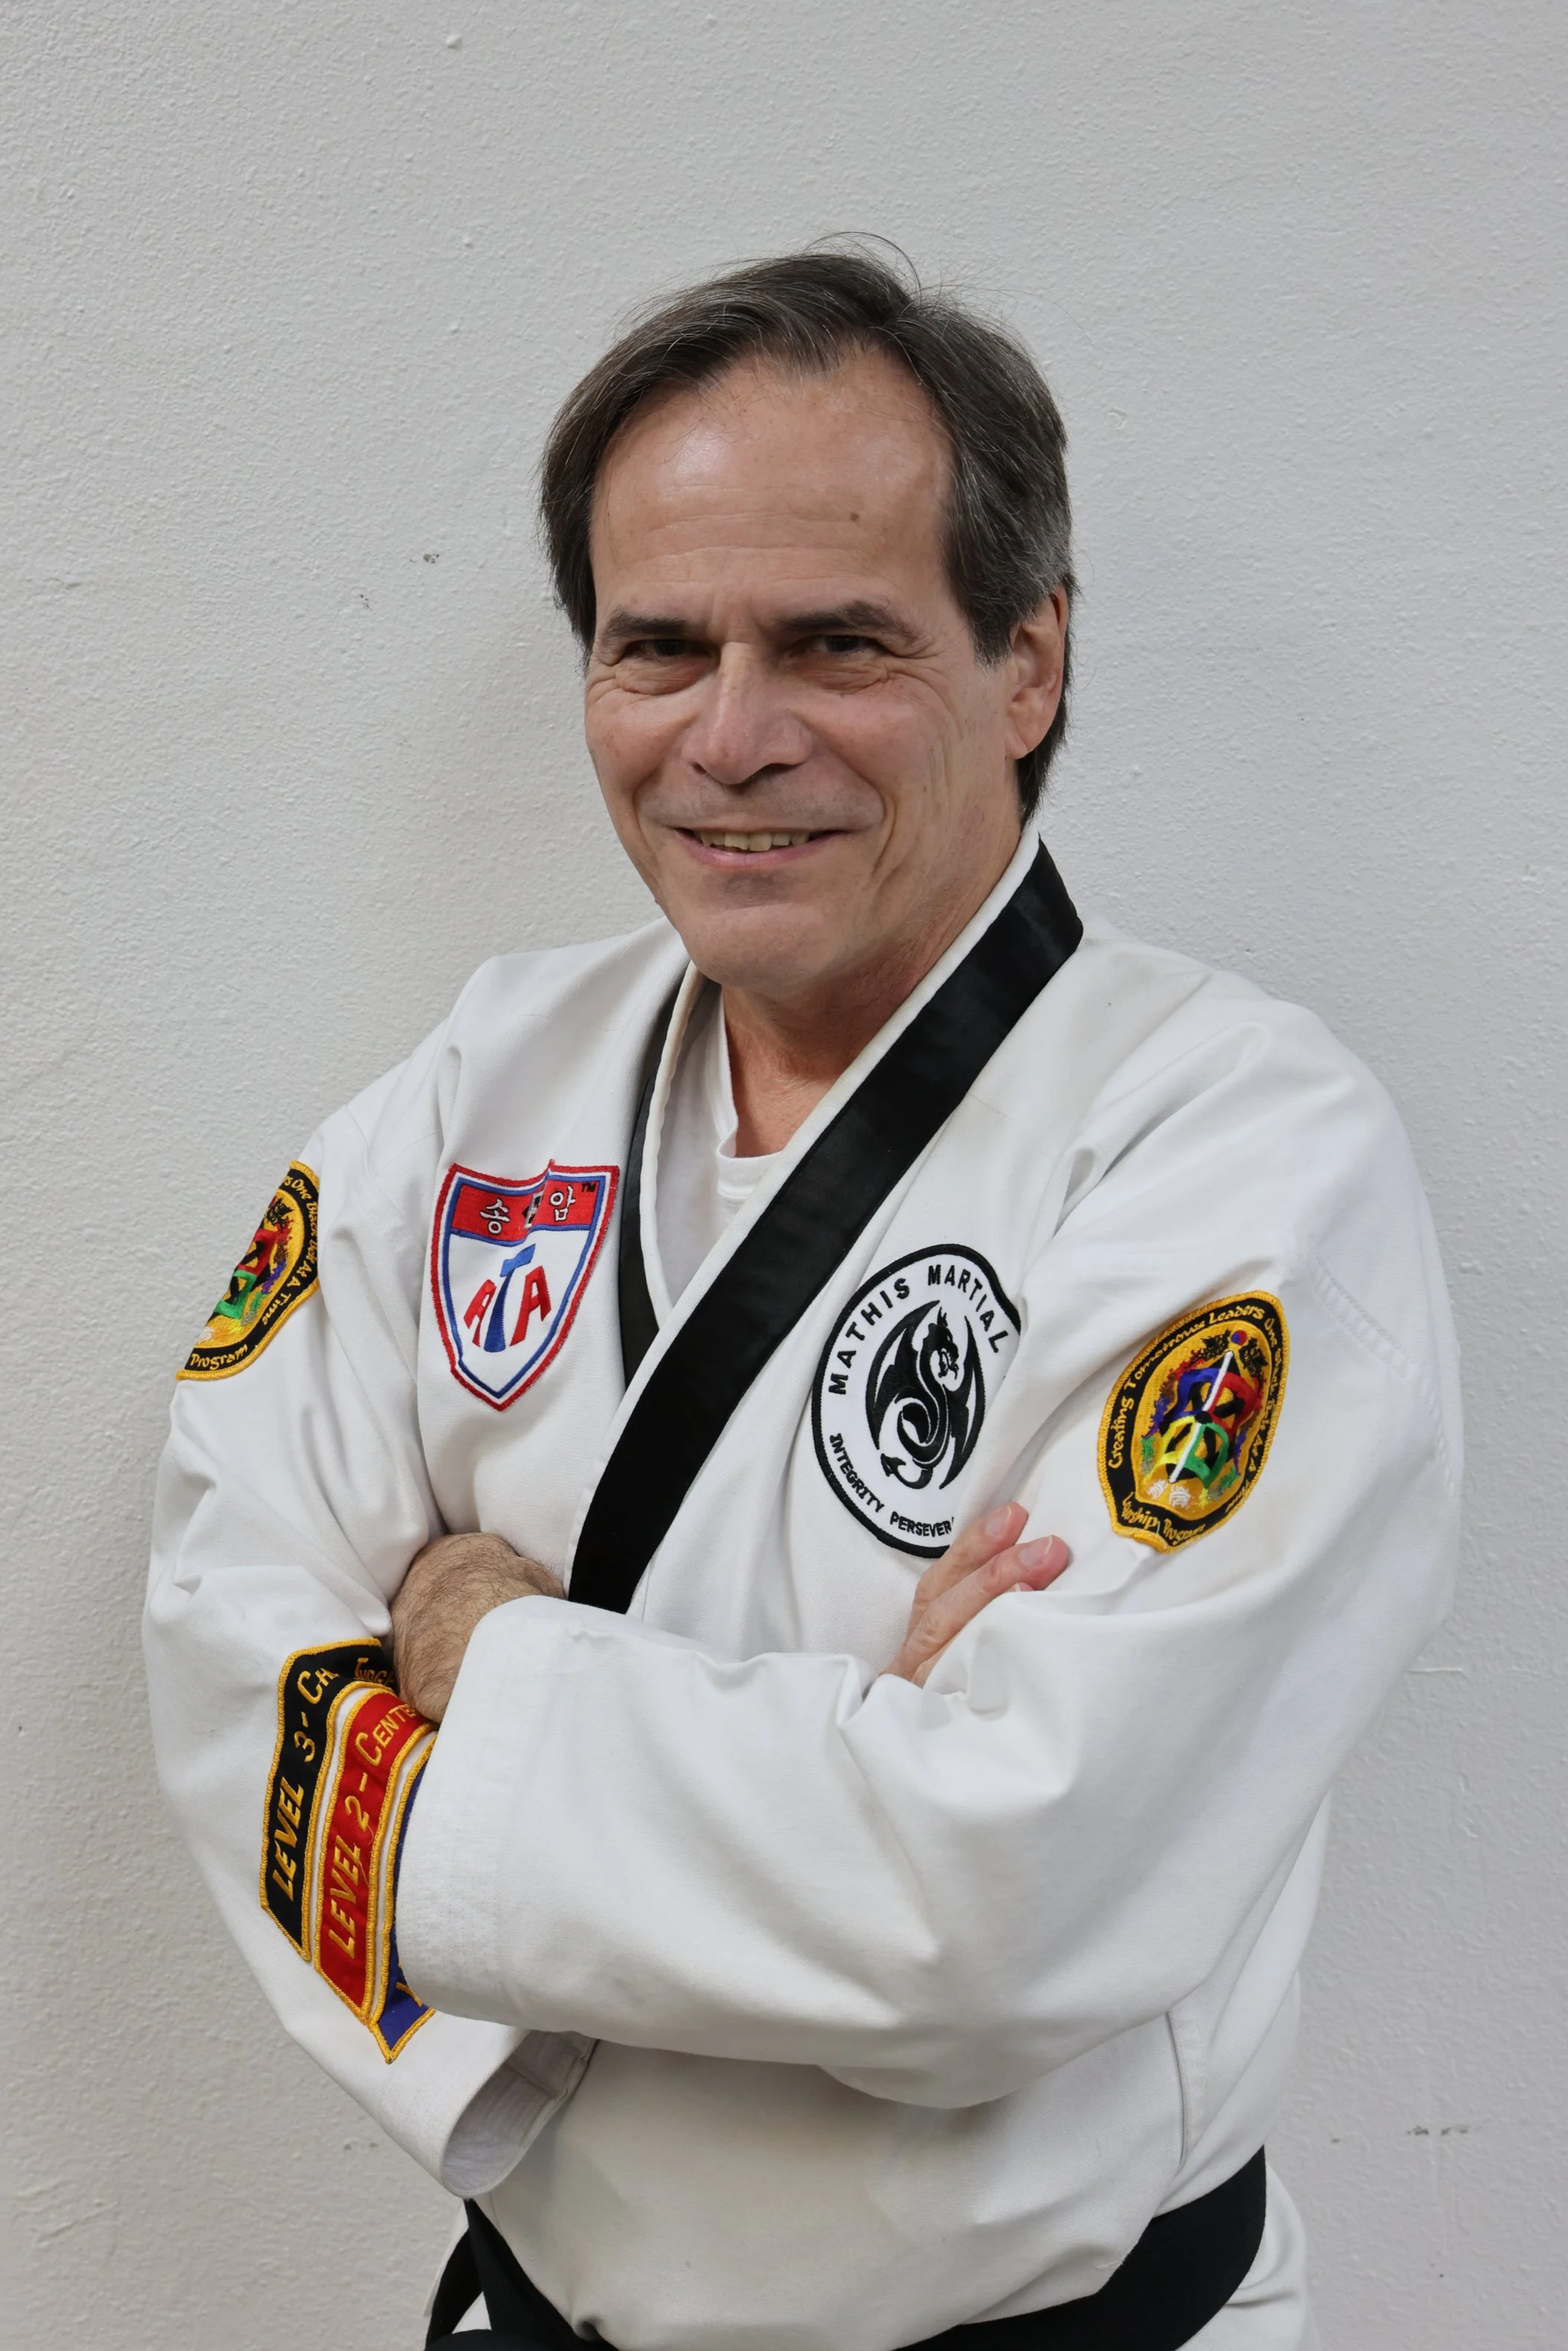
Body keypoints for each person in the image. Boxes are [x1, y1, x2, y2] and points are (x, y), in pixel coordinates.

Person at [144, 249, 1460, 2351]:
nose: (732, 739)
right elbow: (232, 1659)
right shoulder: (485, 1090)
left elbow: (1002, 1897)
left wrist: (472, 1646)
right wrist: (855, 1739)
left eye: (837, 643)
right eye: (658, 648)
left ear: (1027, 661)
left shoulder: (1235, 1151)